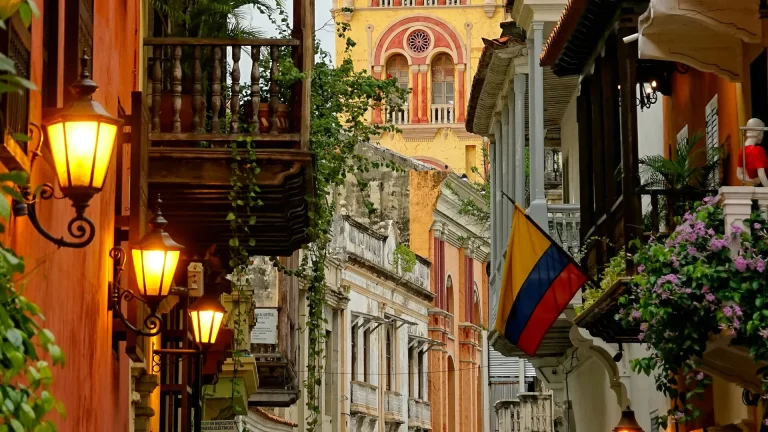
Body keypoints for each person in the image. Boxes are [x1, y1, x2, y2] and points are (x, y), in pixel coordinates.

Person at [737, 118, 768, 187]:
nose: (762, 135)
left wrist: (754, 181)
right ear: (758, 132)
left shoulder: (742, 151)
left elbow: (739, 175)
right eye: (762, 132)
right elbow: (761, 174)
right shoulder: (757, 150)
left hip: (757, 186)